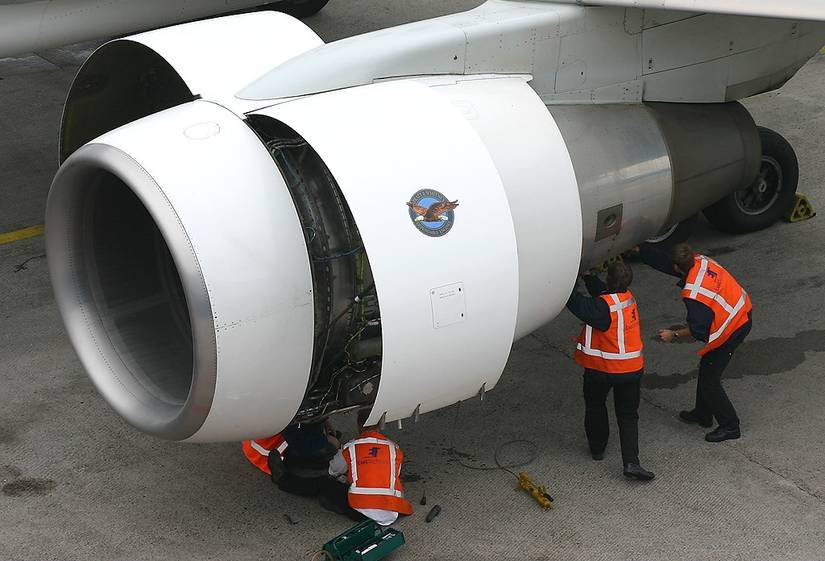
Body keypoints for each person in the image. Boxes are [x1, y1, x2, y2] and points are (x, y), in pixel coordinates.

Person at [639, 242, 752, 443]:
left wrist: (673, 335)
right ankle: (703, 413)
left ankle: (730, 425)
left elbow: (700, 329)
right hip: (741, 311)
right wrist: (642, 251)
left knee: (710, 381)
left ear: (678, 266)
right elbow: (667, 263)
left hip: (732, 328)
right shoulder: (701, 261)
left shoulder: (693, 294)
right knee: (707, 368)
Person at [566, 261, 655, 481]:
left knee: (595, 406)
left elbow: (576, 303)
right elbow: (602, 295)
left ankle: (597, 449)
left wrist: (565, 280)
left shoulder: (601, 309)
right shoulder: (626, 299)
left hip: (602, 369)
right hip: (631, 370)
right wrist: (587, 276)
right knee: (628, 416)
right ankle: (632, 462)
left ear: (609, 280)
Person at [324, 409, 414, 525]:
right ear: (380, 425)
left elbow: (333, 470)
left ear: (359, 426)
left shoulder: (350, 447)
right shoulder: (394, 448)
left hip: (359, 511)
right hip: (393, 508)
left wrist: (338, 449)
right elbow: (393, 473)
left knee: (326, 485)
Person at [242, 419, 341, 495]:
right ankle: (284, 479)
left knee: (332, 448)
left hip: (253, 448)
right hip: (273, 452)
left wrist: (323, 421)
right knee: (324, 481)